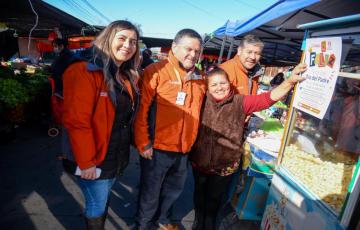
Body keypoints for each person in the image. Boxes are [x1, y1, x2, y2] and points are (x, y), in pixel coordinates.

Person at [189, 64, 307, 230]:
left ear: (229, 83)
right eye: (214, 84)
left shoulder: (240, 102)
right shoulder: (201, 101)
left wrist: (290, 81)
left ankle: (208, 226)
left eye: (222, 83)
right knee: (199, 196)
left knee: (214, 201)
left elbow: (268, 98)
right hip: (199, 162)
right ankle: (197, 223)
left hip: (224, 165)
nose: (219, 87)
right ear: (207, 87)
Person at [62, 20, 140, 230]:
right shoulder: (84, 69)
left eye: (133, 41)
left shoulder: (124, 75)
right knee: (96, 205)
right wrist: (86, 162)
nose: (128, 45)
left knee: (102, 200)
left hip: (115, 155)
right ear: (108, 38)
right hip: (94, 158)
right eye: (122, 38)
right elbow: (78, 122)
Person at [134, 29, 206, 230]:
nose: (193, 55)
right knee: (150, 192)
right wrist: (143, 143)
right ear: (174, 47)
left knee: (174, 190)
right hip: (156, 148)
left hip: (183, 149)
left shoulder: (200, 78)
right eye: (188, 49)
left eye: (197, 51)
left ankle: (164, 219)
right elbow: (141, 111)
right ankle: (144, 225)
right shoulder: (156, 71)